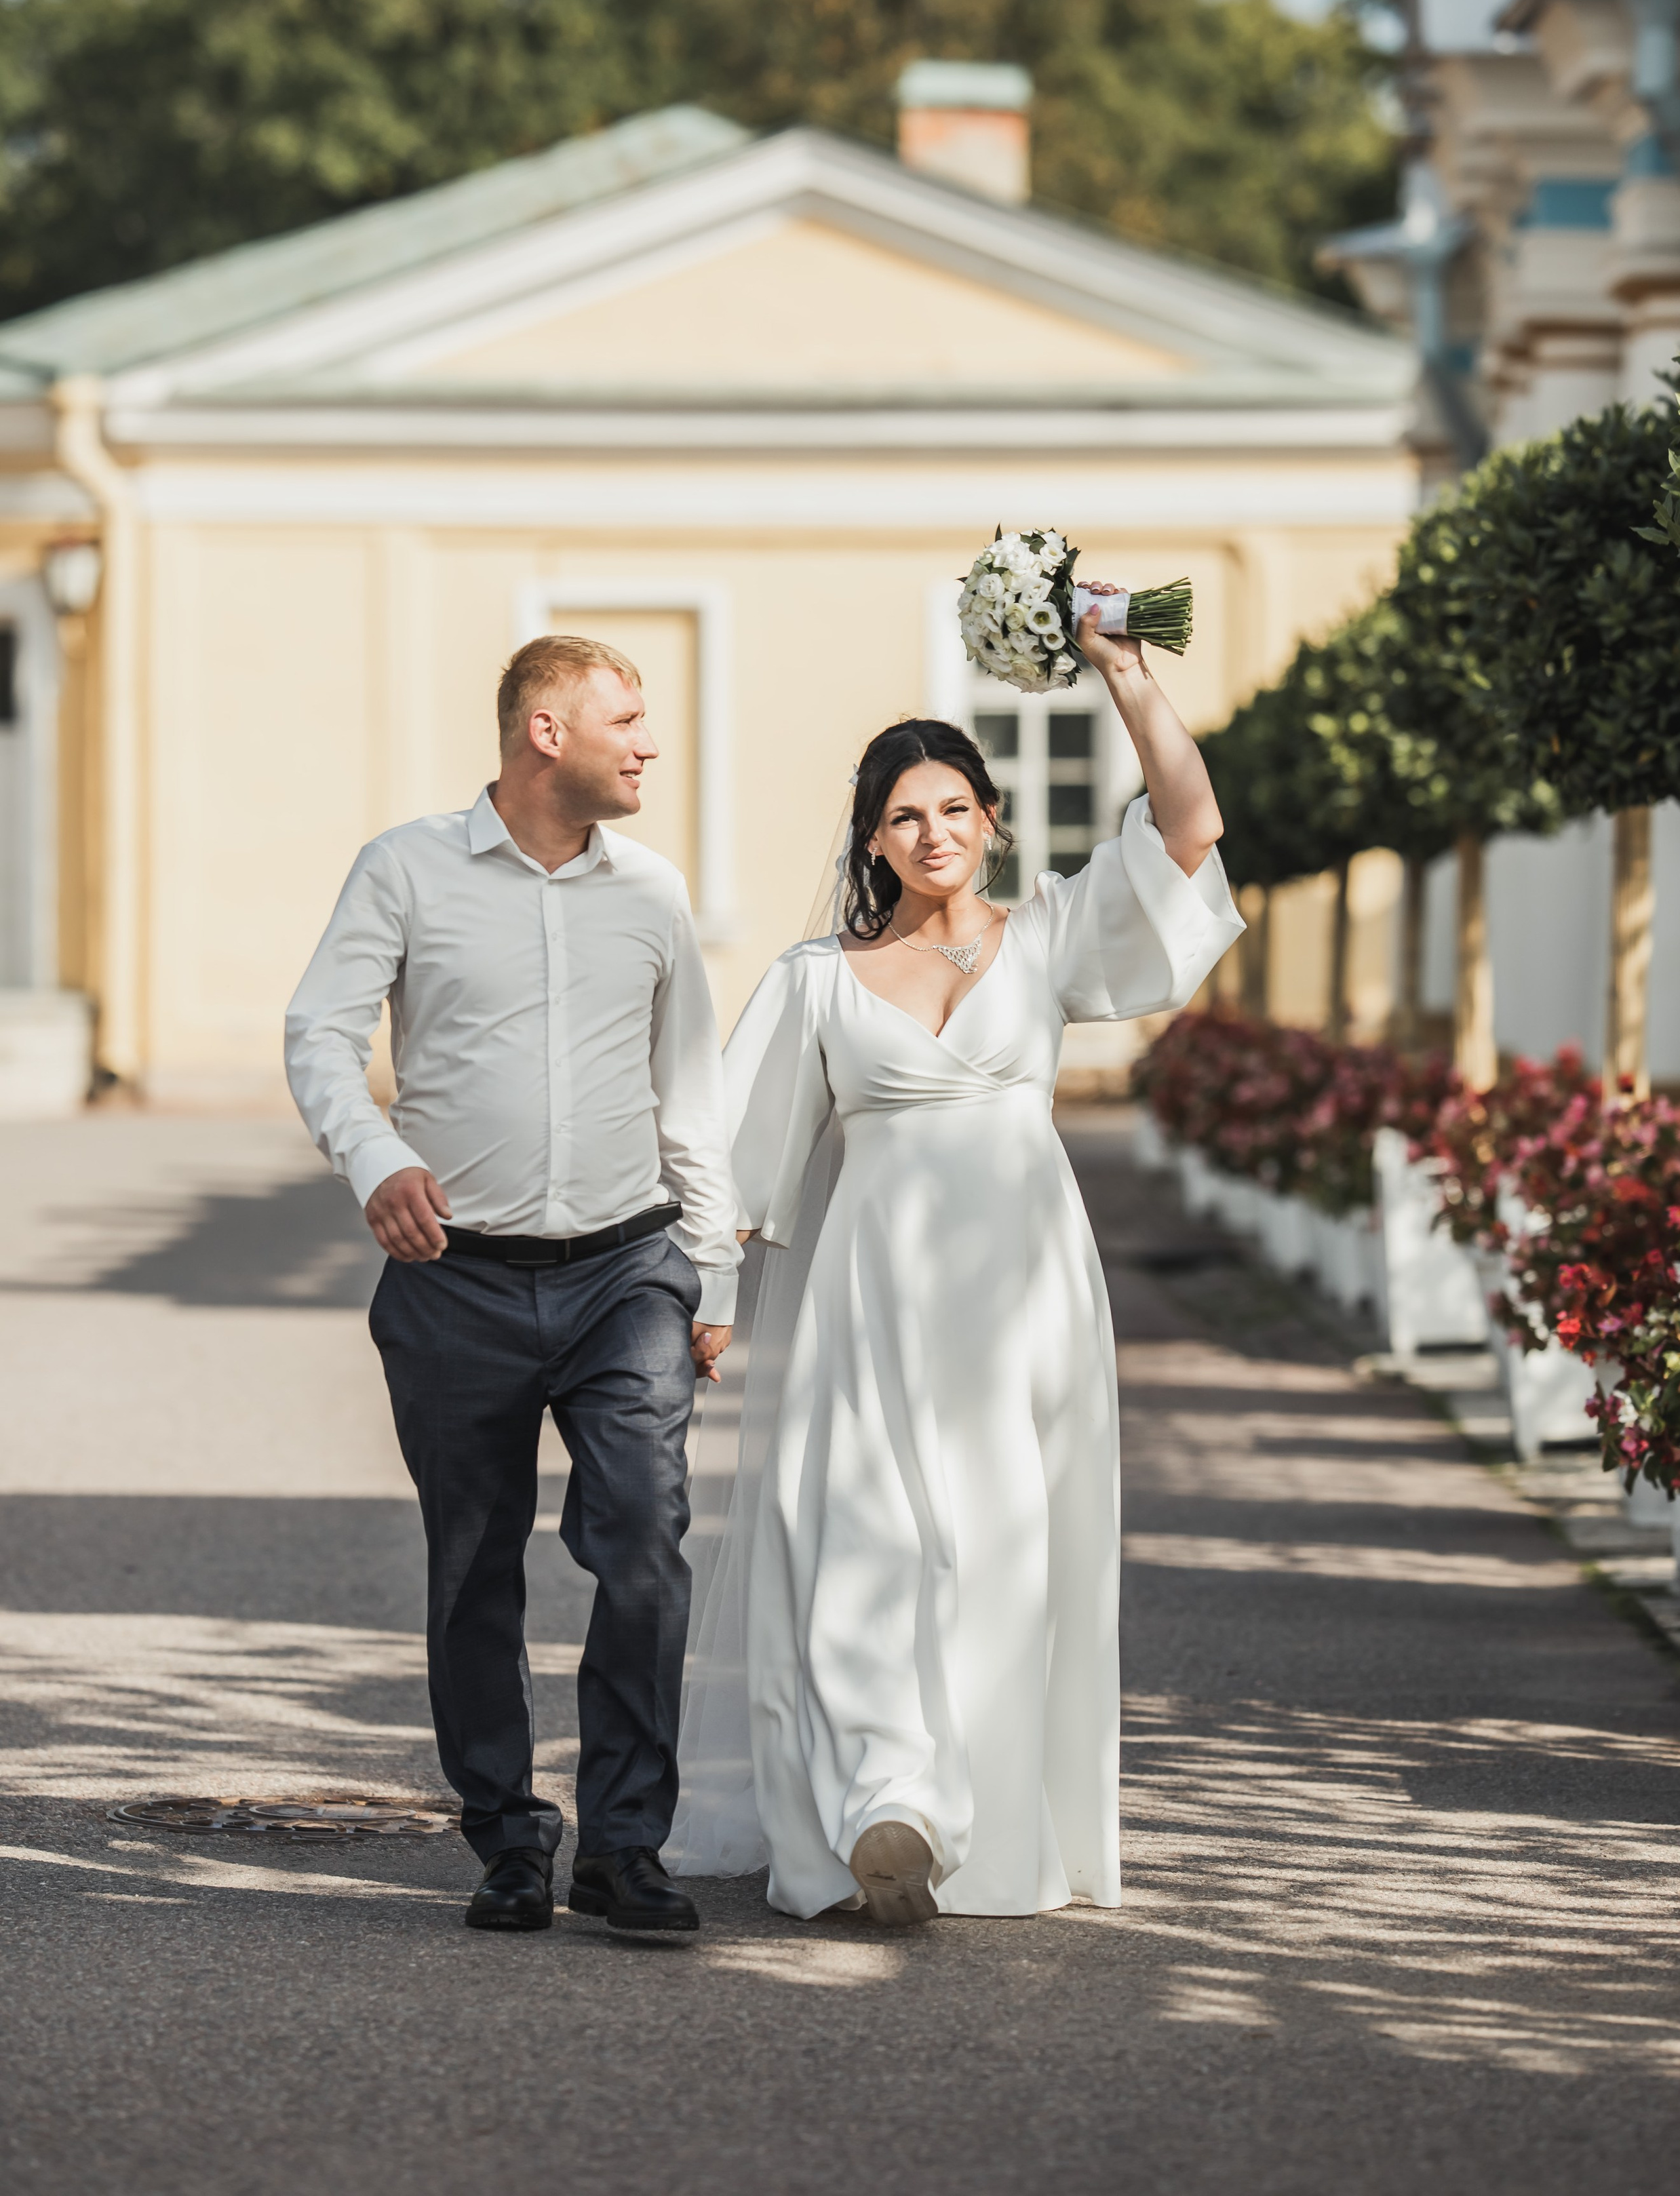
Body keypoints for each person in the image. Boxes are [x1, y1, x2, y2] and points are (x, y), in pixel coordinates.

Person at [669, 591, 1241, 1925]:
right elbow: (726, 1159)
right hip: (869, 1292)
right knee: (855, 1530)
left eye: (951, 808)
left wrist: (1123, 671)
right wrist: (702, 1300)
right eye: (900, 815)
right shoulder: (816, 980)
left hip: (1024, 1294)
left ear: (990, 817)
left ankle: (970, 1817)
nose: (931, 834)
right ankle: (888, 1804)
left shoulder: (1046, 937)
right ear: (872, 840)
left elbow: (1187, 830)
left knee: (999, 1545)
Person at [284, 634, 739, 1940]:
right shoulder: (405, 868)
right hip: (453, 1280)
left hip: (623, 1273)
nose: (650, 742)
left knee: (644, 1543)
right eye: (629, 719)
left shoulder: (652, 892)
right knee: (472, 1565)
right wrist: (376, 1157)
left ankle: (626, 1843)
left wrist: (707, 1274)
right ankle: (505, 1832)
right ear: (547, 732)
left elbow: (689, 1088)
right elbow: (319, 1029)